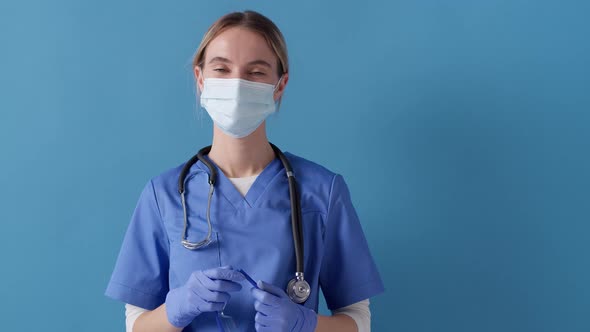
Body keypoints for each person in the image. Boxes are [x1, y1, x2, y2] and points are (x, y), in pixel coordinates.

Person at [105, 10, 384, 332]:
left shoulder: (321, 190)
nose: (236, 85)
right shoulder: (164, 194)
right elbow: (135, 325)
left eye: (255, 72)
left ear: (280, 85)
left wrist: (304, 324)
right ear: (200, 79)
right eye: (221, 69)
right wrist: (177, 309)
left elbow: (359, 322)